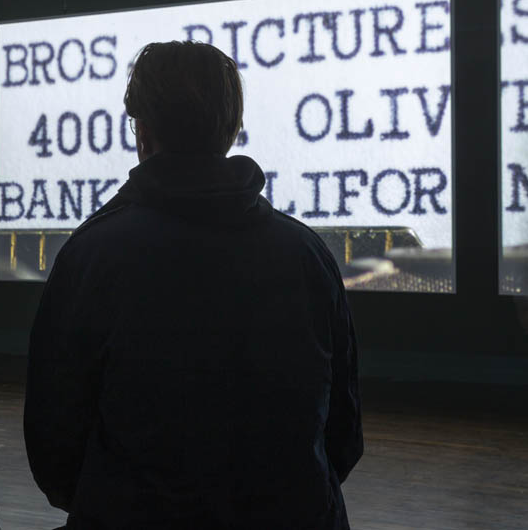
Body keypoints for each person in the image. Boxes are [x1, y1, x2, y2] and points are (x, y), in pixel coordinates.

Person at [25, 41, 363, 529]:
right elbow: (342, 435)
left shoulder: (91, 256)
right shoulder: (308, 255)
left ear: (142, 131)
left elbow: (54, 443)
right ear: (230, 128)